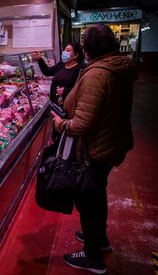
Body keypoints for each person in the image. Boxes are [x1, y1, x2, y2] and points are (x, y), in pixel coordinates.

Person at [51, 24, 137, 274]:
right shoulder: (115, 66)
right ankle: (99, 238)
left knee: (89, 199)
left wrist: (60, 124)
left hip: (97, 148)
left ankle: (92, 256)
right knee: (97, 193)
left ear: (89, 48)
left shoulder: (97, 74)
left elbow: (83, 124)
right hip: (111, 143)